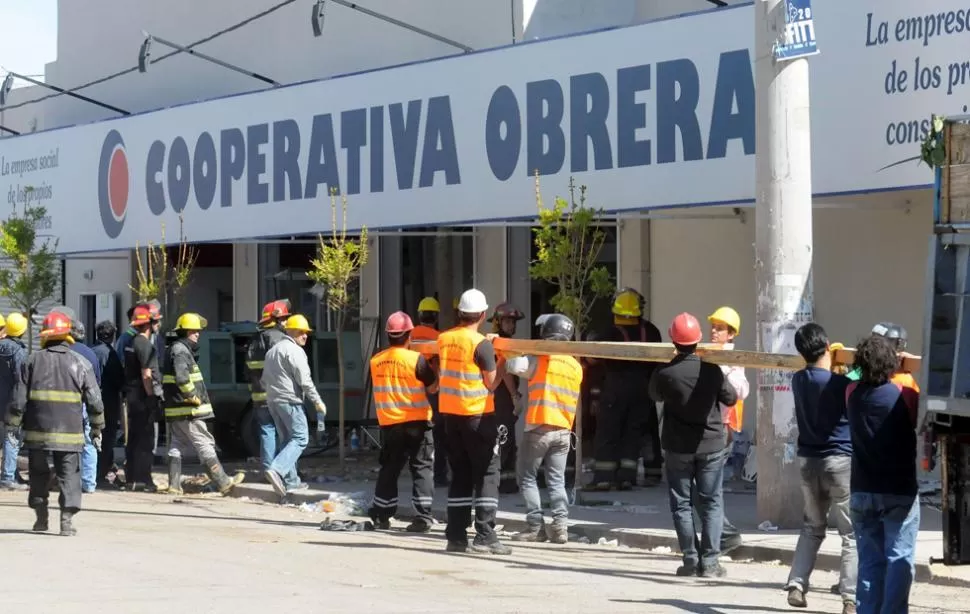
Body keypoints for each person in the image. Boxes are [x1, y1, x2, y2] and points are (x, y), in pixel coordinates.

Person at [648, 312, 737, 578]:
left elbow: (653, 394)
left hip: (678, 447)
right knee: (711, 503)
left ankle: (690, 560)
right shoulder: (711, 370)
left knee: (681, 504)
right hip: (710, 445)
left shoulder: (664, 372)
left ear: (673, 340)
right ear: (698, 340)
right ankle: (710, 563)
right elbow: (730, 398)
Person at [5, 310, 104, 536]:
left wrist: (12, 426)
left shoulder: (32, 361)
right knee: (69, 475)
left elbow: (18, 399)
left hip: (37, 434)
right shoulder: (81, 363)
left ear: (45, 335)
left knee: (38, 475)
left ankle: (41, 518)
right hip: (71, 435)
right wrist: (97, 428)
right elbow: (95, 401)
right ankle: (66, 521)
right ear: (68, 335)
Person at [784, 323, 856, 614]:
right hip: (839, 461)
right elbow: (853, 382)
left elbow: (823, 376)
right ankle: (850, 598)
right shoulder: (841, 384)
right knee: (851, 534)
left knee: (812, 527)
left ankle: (797, 584)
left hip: (808, 462)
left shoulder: (798, 380)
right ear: (828, 346)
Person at [846, 334, 920, 614]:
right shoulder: (905, 394)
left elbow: (850, 375)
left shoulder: (851, 393)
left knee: (869, 561)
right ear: (893, 363)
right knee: (899, 558)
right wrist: (900, 367)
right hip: (898, 490)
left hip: (862, 490)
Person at [438, 288, 509, 555]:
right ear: (482, 314)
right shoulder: (482, 344)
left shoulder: (445, 338)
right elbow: (491, 383)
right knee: (488, 473)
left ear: (459, 312)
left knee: (461, 476)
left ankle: (456, 536)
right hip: (477, 416)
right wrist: (502, 360)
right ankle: (486, 534)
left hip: (451, 417)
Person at [506, 314, 582, 545]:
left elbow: (513, 365)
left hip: (539, 427)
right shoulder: (575, 366)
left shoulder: (539, 359)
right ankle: (560, 528)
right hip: (563, 431)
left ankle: (534, 527)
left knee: (527, 478)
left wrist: (504, 347)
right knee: (557, 481)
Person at [366, 311, 437, 532]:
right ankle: (422, 518)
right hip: (417, 422)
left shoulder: (375, 361)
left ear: (389, 336)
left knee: (390, 469)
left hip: (391, 424)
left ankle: (381, 515)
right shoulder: (416, 360)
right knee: (421, 468)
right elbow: (433, 387)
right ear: (409, 335)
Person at [589, 287, 662, 491]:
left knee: (608, 432)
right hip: (643, 390)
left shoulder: (610, 331)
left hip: (615, 388)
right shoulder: (652, 331)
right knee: (633, 433)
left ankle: (604, 478)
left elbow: (592, 359)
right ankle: (626, 477)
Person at [163, 313, 245, 496]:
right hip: (189, 409)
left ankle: (174, 485)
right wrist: (192, 395)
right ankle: (223, 481)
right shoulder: (181, 351)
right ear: (185, 332)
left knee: (177, 444)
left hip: (177, 408)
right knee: (204, 443)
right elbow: (182, 377)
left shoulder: (175, 349)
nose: (197, 335)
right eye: (194, 331)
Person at [698, 306, 749, 554]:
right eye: (713, 327)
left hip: (723, 429)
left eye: (719, 329)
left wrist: (721, 373)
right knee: (707, 489)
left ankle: (724, 536)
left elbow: (741, 390)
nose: (714, 332)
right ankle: (724, 535)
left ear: (731, 334)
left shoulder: (731, 358)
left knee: (708, 490)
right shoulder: (709, 353)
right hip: (710, 428)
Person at [261, 314, 326, 499]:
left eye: (306, 333)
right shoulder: (295, 351)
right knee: (300, 438)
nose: (305, 336)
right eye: (301, 332)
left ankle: (291, 482)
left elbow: (264, 379)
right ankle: (277, 469)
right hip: (290, 401)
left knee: (286, 440)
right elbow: (305, 381)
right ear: (290, 331)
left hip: (273, 401)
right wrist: (317, 401)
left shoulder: (272, 351)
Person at [245, 299, 291, 479]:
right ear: (277, 319)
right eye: (285, 319)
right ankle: (284, 473)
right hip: (279, 396)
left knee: (267, 432)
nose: (287, 322)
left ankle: (267, 471)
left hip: (259, 397)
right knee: (287, 434)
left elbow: (248, 371)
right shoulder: (280, 339)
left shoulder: (255, 340)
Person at [123, 303, 163, 492]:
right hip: (141, 396)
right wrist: (151, 397)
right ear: (148, 324)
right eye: (156, 321)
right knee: (145, 439)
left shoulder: (132, 343)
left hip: (132, 395)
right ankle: (143, 479)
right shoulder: (145, 345)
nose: (158, 323)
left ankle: (131, 477)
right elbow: (146, 374)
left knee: (134, 437)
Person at [411, 296, 449, 487]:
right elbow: (439, 366)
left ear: (419, 315)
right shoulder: (438, 338)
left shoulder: (409, 335)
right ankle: (440, 476)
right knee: (438, 434)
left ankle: (418, 474)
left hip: (411, 391)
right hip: (432, 391)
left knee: (416, 435)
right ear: (435, 317)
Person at [490, 301, 525, 494]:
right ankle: (501, 483)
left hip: (503, 397)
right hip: (502, 397)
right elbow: (504, 370)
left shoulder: (501, 341)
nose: (511, 326)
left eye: (513, 322)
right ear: (498, 322)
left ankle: (508, 482)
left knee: (507, 439)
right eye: (508, 322)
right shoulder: (501, 342)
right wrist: (514, 395)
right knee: (504, 439)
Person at [92, 320, 125, 487]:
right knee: (107, 439)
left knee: (92, 437)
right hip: (107, 403)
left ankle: (95, 471)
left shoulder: (90, 351)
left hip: (91, 402)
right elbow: (119, 380)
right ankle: (101, 474)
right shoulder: (110, 354)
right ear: (112, 336)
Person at [0, 312, 28, 491]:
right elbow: (22, 379)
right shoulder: (19, 352)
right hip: (13, 402)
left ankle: (11, 472)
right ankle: (8, 477)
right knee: (12, 438)